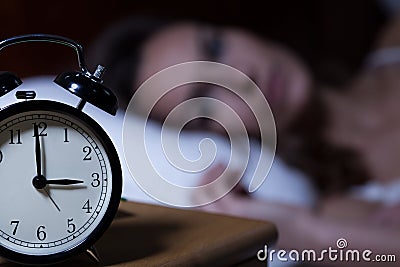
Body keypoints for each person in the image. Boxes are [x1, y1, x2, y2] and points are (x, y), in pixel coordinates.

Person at [88, 15, 400, 266]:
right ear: (209, 138)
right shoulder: (349, 214)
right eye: (205, 99)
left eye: (215, 47)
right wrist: (300, 233)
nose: (243, 75)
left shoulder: (393, 37)